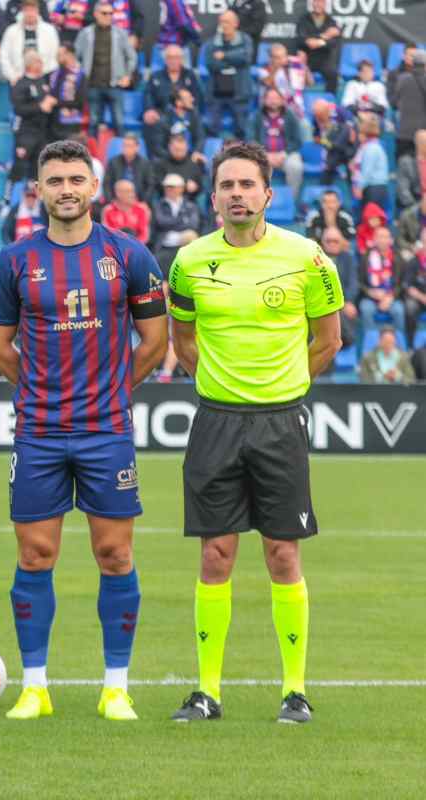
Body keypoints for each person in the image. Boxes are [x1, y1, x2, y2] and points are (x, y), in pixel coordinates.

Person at [0, 138, 166, 722]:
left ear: (93, 187)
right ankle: (35, 687)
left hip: (106, 431)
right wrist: (40, 389)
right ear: (38, 190)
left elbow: (156, 342)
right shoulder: (13, 260)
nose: (66, 190)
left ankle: (116, 687)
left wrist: (112, 390)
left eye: (75, 180)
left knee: (114, 554)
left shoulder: (130, 254)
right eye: (54, 180)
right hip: (38, 432)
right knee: (36, 554)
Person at [167, 141, 343, 724]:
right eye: (228, 186)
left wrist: (284, 386)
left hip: (279, 423)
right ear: (213, 196)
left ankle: (294, 690)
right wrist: (222, 387)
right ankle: (206, 692)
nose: (238, 195)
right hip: (215, 423)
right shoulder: (189, 261)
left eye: (248, 185)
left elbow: (328, 340)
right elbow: (183, 342)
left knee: (281, 553)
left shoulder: (308, 257)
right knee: (215, 556)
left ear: (268, 193)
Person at [74, 1, 136, 135]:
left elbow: (132, 57)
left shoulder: (120, 34)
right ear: (96, 14)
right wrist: (81, 74)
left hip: (114, 84)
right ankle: (91, 155)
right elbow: (75, 57)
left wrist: (127, 75)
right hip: (92, 85)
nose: (108, 16)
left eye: (111, 13)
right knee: (93, 123)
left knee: (119, 122)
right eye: (104, 13)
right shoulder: (85, 34)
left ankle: (121, 153)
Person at [203, 11, 253, 141]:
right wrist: (234, 63)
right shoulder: (212, 42)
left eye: (228, 22)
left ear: (236, 23)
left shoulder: (245, 39)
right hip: (217, 90)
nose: (224, 25)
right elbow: (210, 64)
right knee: (211, 128)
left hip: (239, 90)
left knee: (242, 129)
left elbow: (246, 58)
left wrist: (224, 56)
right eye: (222, 22)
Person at [247, 87, 304, 200]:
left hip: (286, 154)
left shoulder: (290, 115)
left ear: (282, 100)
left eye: (276, 98)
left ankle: (292, 201)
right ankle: (258, 203)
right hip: (262, 155)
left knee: (295, 166)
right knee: (252, 168)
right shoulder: (256, 116)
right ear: (264, 100)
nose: (273, 101)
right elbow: (250, 140)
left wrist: (284, 153)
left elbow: (297, 140)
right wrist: (264, 154)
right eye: (270, 98)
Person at [8, 52, 53, 189]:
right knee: (20, 166)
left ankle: (34, 201)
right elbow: (19, 110)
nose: (42, 64)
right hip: (25, 132)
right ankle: (9, 199)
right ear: (31, 64)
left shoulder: (43, 82)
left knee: (39, 167)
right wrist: (40, 107)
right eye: (39, 62)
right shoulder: (20, 84)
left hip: (42, 131)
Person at [358, 225, 405, 338]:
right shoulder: (366, 257)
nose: (383, 240)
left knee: (399, 310)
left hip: (392, 297)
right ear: (374, 239)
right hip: (371, 297)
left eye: (386, 237)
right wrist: (370, 292)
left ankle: (398, 346)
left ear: (391, 240)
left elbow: (402, 283)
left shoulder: (398, 257)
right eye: (380, 237)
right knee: (366, 309)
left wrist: (391, 297)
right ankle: (372, 345)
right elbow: (359, 282)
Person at [0, 0, 59, 86]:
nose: (30, 14)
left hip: (44, 79)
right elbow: (4, 56)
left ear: (37, 11)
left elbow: (55, 57)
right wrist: (12, 76)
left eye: (32, 10)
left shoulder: (49, 30)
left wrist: (44, 76)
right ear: (22, 11)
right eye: (27, 10)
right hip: (18, 79)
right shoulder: (11, 31)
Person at [144, 44, 203, 126]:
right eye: (170, 57)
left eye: (176, 57)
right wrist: (150, 110)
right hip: (161, 113)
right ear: (165, 60)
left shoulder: (190, 75)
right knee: (150, 118)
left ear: (181, 59)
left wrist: (187, 108)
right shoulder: (155, 76)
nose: (173, 61)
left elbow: (197, 96)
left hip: (185, 113)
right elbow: (148, 95)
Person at [321, 226, 360, 348]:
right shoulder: (316, 258)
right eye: (329, 241)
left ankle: (339, 342)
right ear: (323, 243)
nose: (332, 244)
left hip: (342, 301)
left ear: (342, 242)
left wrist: (348, 301)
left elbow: (353, 283)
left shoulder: (348, 258)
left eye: (335, 241)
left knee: (347, 310)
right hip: (322, 301)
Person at [152, 172, 200, 268]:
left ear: (181, 188)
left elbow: (193, 224)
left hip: (184, 242)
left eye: (172, 186)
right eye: (167, 187)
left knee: (192, 235)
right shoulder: (159, 205)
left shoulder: (190, 205)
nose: (169, 189)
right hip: (165, 242)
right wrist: (182, 220)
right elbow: (161, 222)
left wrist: (172, 222)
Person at [293, 0, 340, 93]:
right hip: (306, 58)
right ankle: (299, 102)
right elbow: (301, 40)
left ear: (326, 4)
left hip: (324, 60)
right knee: (296, 74)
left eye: (321, 2)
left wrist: (318, 42)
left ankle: (328, 101)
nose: (318, 4)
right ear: (312, 3)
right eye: (316, 2)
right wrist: (324, 36)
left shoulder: (331, 21)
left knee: (333, 74)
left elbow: (333, 43)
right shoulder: (303, 19)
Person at [391, 49, 426, 161]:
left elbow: (394, 103)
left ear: (412, 64)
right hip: (423, 136)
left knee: (403, 170)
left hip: (404, 134)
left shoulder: (402, 79)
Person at [350, 113, 389, 212]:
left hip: (374, 188)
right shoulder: (369, 147)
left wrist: (359, 187)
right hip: (373, 187)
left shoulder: (371, 148)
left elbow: (367, 170)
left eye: (360, 133)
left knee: (372, 216)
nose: (358, 136)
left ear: (365, 134)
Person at [311, 99, 355, 185]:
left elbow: (351, 134)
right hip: (328, 146)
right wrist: (324, 140)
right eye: (316, 116)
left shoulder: (339, 112)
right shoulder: (315, 118)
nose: (318, 118)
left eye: (320, 116)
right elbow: (316, 137)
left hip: (343, 145)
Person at [153, 132, 206, 203]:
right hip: (166, 203)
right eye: (176, 149)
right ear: (170, 147)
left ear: (186, 147)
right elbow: (158, 185)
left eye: (181, 150)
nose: (179, 152)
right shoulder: (161, 164)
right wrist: (182, 187)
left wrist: (195, 187)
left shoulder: (193, 165)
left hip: (189, 203)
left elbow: (200, 187)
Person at [102, 132, 152, 205]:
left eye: (130, 146)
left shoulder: (145, 164)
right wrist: (111, 201)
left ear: (137, 147)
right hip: (116, 200)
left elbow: (150, 185)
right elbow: (106, 184)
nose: (126, 148)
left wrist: (144, 202)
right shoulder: (113, 162)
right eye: (124, 145)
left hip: (139, 201)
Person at [49, 45, 87, 140]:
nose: (57, 57)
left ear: (70, 55)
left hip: (70, 123)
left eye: (61, 54)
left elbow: (80, 102)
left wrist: (57, 102)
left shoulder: (80, 75)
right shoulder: (54, 74)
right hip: (53, 123)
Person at [101, 178, 151, 244]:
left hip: (137, 247)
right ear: (118, 193)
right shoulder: (108, 210)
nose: (132, 195)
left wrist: (134, 246)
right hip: (115, 247)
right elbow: (106, 234)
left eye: (133, 191)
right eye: (128, 191)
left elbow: (144, 235)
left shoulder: (141, 209)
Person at [401, 227, 426, 347]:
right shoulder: (413, 261)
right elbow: (407, 285)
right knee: (410, 307)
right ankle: (410, 344)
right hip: (417, 298)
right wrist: (422, 297)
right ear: (422, 240)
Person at [396, 130, 426, 210]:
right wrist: (417, 208)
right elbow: (403, 190)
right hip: (416, 205)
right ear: (418, 144)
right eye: (423, 142)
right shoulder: (406, 162)